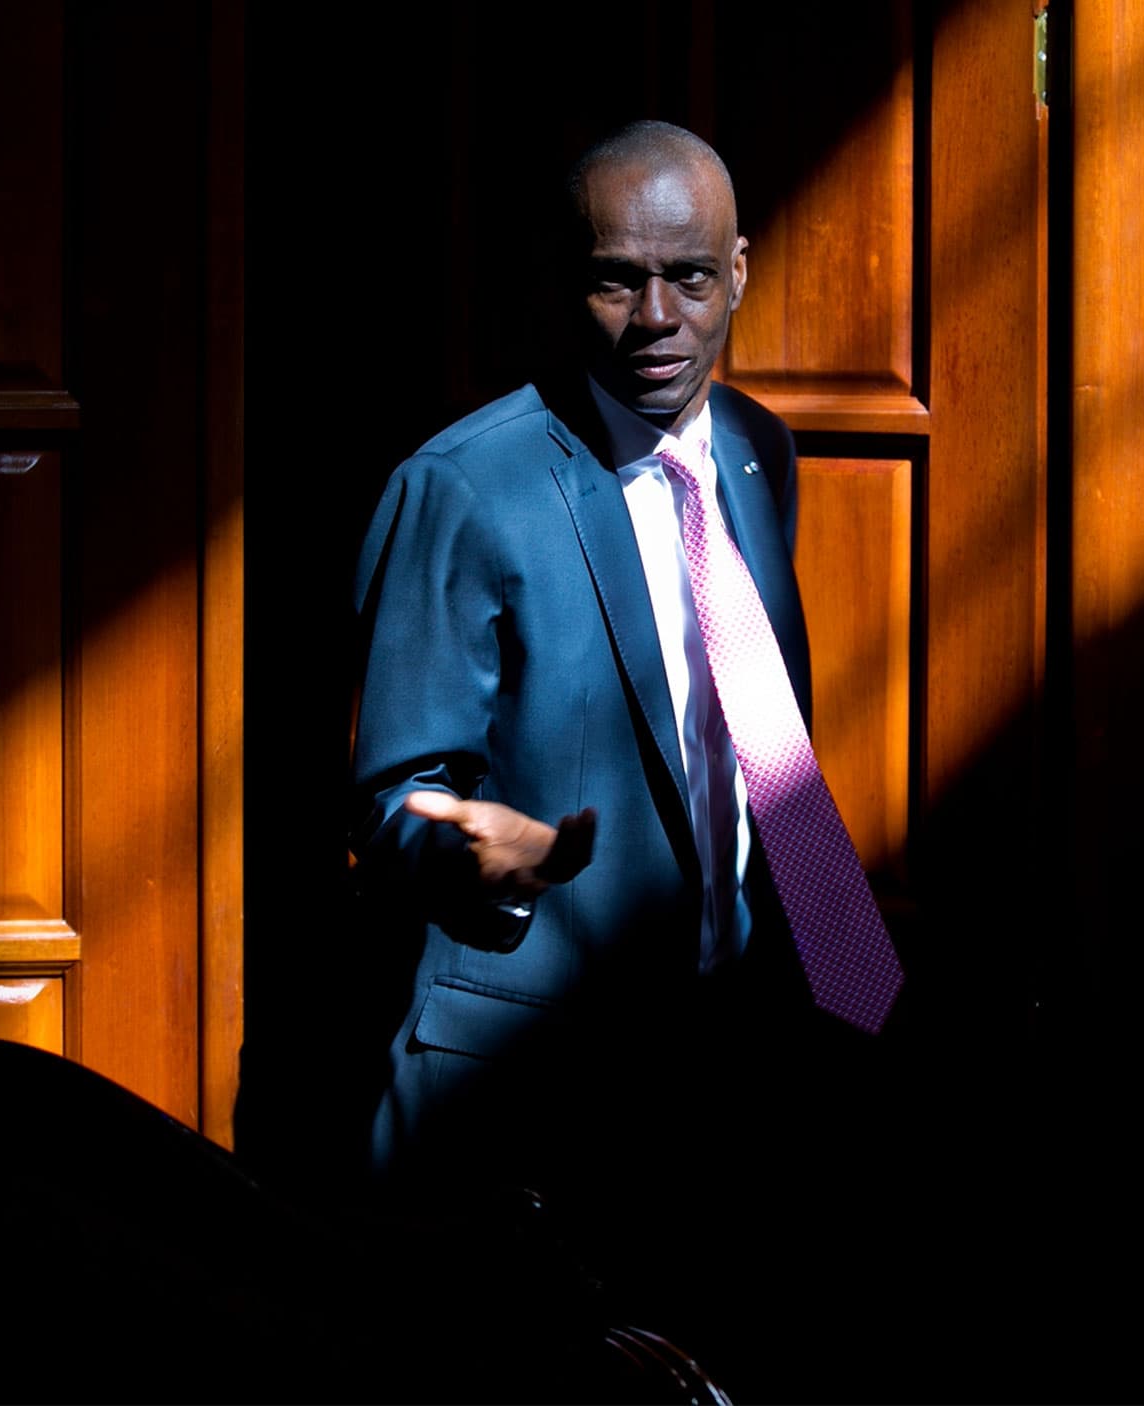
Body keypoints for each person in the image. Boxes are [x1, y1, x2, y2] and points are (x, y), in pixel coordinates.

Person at [343, 121, 908, 1371]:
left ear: (740, 273)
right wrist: (466, 850)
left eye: (690, 278)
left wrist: (858, 985)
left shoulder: (759, 450)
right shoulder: (463, 486)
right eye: (616, 278)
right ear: (566, 280)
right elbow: (396, 799)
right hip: (539, 1094)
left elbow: (765, 738)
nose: (656, 316)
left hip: (738, 1071)